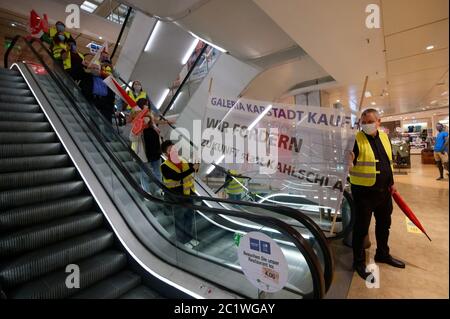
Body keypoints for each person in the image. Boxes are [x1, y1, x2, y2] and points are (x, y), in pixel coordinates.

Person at [349, 108, 405, 282]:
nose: (366, 125)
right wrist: (347, 162)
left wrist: (392, 182)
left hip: (384, 192)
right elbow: (348, 164)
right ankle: (358, 263)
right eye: (363, 122)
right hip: (364, 194)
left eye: (370, 121)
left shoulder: (384, 137)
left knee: (384, 225)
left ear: (379, 121)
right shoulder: (354, 140)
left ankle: (382, 254)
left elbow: (388, 162)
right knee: (361, 229)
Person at [160, 140, 200, 248]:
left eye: (174, 148)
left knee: (189, 217)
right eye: (170, 150)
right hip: (176, 197)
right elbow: (177, 177)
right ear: (165, 154)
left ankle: (189, 238)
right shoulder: (164, 166)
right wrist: (192, 168)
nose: (173, 151)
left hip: (188, 194)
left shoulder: (182, 161)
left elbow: (194, 167)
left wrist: (197, 161)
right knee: (179, 220)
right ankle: (180, 242)